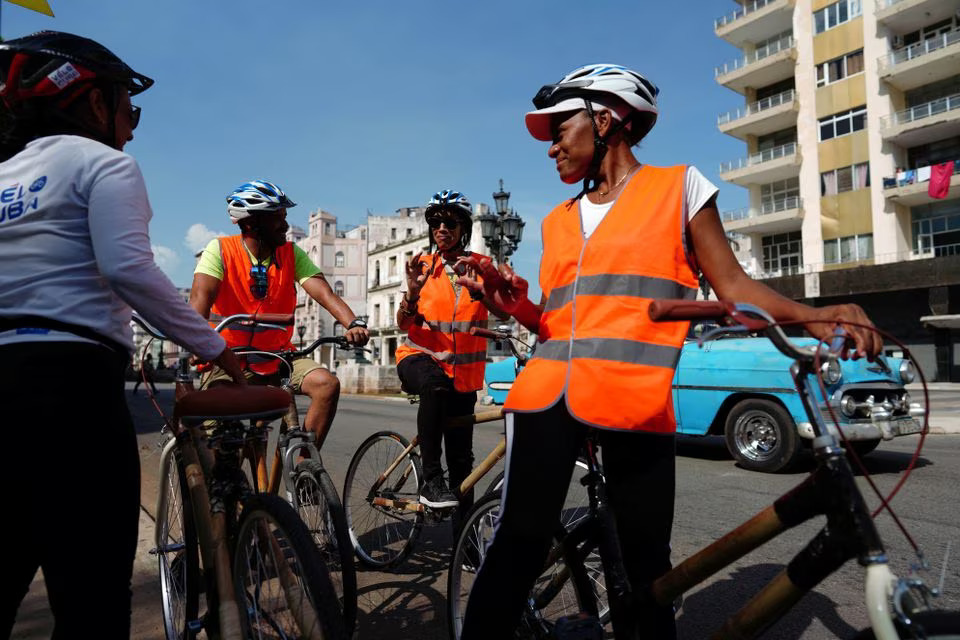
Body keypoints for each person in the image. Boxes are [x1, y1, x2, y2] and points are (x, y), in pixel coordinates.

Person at [456, 63, 882, 639]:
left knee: (646, 560)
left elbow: (733, 288)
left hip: (636, 400)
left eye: (560, 127)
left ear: (606, 119)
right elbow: (558, 324)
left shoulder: (679, 187)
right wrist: (514, 308)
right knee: (521, 539)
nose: (551, 144)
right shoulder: (556, 221)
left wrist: (817, 316)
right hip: (546, 399)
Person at [0, 31, 246, 639]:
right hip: (70, 393)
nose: (132, 127)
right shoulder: (104, 163)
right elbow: (128, 269)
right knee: (90, 600)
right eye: (127, 108)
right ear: (87, 101)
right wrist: (216, 348)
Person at [189, 180, 369, 450]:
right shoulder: (221, 250)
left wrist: (352, 322)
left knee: (326, 385)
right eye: (278, 219)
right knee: (217, 446)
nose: (285, 226)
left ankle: (304, 470)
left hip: (280, 357)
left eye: (285, 217)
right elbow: (200, 299)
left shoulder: (290, 253)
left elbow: (324, 292)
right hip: (227, 360)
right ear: (250, 224)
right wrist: (195, 341)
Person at [395, 190, 506, 526]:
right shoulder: (423, 265)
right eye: (435, 222)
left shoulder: (481, 268)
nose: (441, 228)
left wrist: (482, 294)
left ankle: (465, 544)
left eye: (449, 222)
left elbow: (503, 314)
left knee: (462, 461)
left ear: (463, 227)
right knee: (434, 385)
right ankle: (430, 479)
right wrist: (411, 296)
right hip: (418, 357)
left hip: (463, 376)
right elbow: (403, 325)